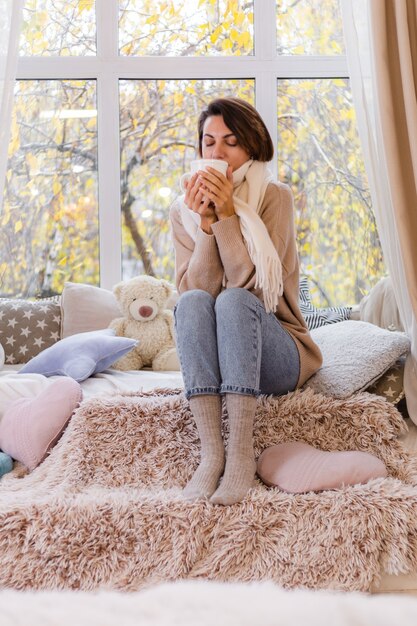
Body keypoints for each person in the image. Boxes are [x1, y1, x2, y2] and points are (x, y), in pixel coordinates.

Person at [170, 97, 322, 506]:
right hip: (222, 355)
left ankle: (238, 454)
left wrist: (228, 220)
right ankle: (211, 454)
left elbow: (252, 291)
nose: (217, 154)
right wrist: (205, 225)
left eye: (230, 142)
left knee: (234, 301)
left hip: (277, 351)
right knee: (192, 303)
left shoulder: (275, 197)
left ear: (251, 147)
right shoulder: (182, 212)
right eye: (208, 143)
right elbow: (195, 293)